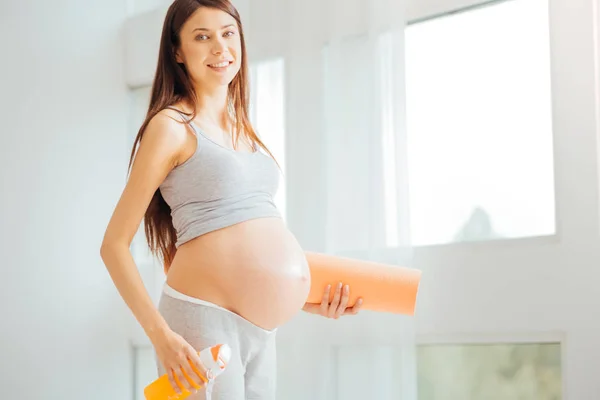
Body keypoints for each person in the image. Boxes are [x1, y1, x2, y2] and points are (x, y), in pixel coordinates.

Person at [100, 0, 363, 399]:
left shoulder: (245, 132)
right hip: (202, 322)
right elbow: (113, 246)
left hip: (262, 331)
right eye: (202, 37)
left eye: (228, 33)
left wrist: (303, 296)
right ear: (177, 51)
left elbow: (251, 243)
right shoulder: (170, 127)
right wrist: (162, 336)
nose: (220, 48)